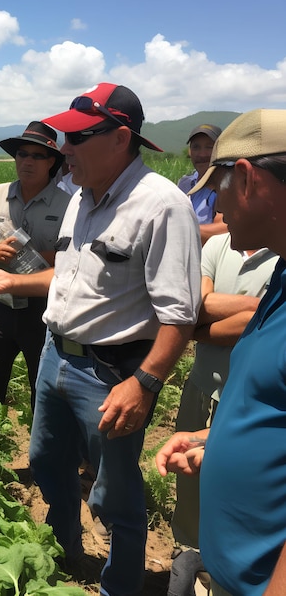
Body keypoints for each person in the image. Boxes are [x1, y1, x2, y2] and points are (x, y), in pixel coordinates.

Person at [0, 82, 202, 595]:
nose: (62, 151)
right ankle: (65, 553)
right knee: (47, 461)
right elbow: (67, 277)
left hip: (110, 373)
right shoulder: (80, 198)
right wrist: (15, 282)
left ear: (119, 137)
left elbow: (179, 316)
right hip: (54, 357)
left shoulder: (161, 206)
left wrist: (145, 384)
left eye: (75, 139)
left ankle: (121, 585)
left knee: (114, 495)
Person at [156, 109, 286, 596]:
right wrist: (215, 438)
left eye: (222, 188)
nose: (217, 207)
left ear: (248, 179)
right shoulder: (281, 280)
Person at [167, 232, 277, 596]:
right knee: (191, 484)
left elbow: (248, 323)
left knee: (233, 495)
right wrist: (250, 310)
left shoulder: (278, 252)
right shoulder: (217, 246)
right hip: (200, 385)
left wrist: (198, 328)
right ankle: (192, 559)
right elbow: (191, 307)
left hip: (243, 399)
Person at [0, 121, 71, 408]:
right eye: (22, 154)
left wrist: (35, 257)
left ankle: (40, 441)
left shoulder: (68, 204)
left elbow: (72, 259)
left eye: (37, 156)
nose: (27, 161)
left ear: (52, 161)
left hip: (42, 309)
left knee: (43, 382)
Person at [178, 124, 228, 244]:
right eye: (196, 147)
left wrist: (177, 231)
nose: (202, 154)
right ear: (190, 151)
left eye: (209, 147)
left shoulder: (226, 184)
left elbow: (224, 228)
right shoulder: (184, 183)